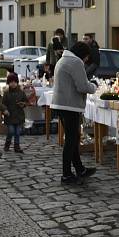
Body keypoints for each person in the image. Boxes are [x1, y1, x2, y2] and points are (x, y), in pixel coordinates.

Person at [51, 41, 98, 185]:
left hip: (61, 103)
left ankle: (79, 169)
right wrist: (94, 86)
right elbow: (82, 86)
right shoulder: (75, 62)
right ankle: (66, 174)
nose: (86, 61)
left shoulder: (63, 59)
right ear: (82, 55)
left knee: (74, 138)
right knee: (71, 140)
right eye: (86, 58)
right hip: (69, 105)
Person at [2, 72, 27, 153]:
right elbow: (3, 104)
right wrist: (5, 110)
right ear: (8, 83)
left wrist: (23, 104)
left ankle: (17, 146)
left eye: (14, 82)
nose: (13, 84)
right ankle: (7, 144)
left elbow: (26, 101)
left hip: (19, 116)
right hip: (9, 116)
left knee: (17, 133)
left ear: (17, 82)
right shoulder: (6, 93)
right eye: (11, 82)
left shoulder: (21, 92)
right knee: (11, 131)